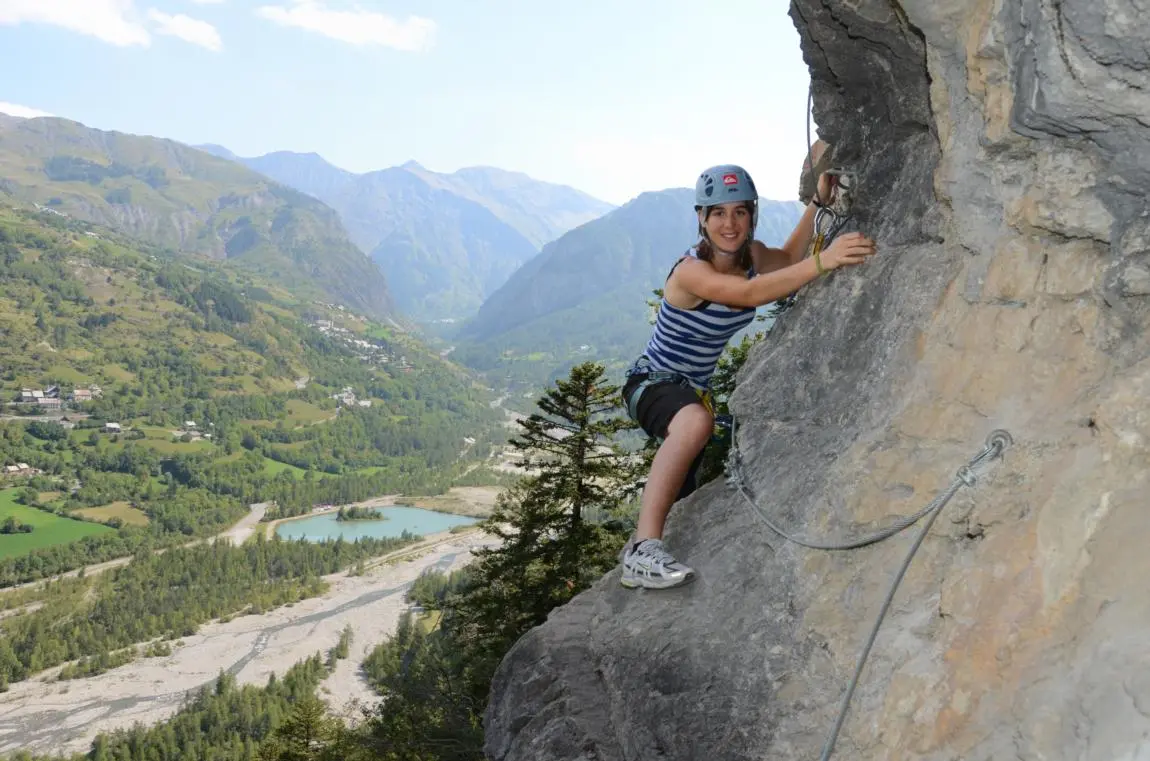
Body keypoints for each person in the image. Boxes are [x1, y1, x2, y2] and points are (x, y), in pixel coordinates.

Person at [618, 162, 877, 590]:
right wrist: (826, 260)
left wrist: (817, 203)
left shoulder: (751, 256)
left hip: (691, 394)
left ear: (752, 215)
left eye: (740, 211)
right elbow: (751, 293)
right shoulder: (691, 271)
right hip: (651, 383)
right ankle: (643, 551)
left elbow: (788, 260)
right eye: (718, 213)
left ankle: (642, 551)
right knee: (694, 424)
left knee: (679, 491)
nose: (730, 223)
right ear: (701, 218)